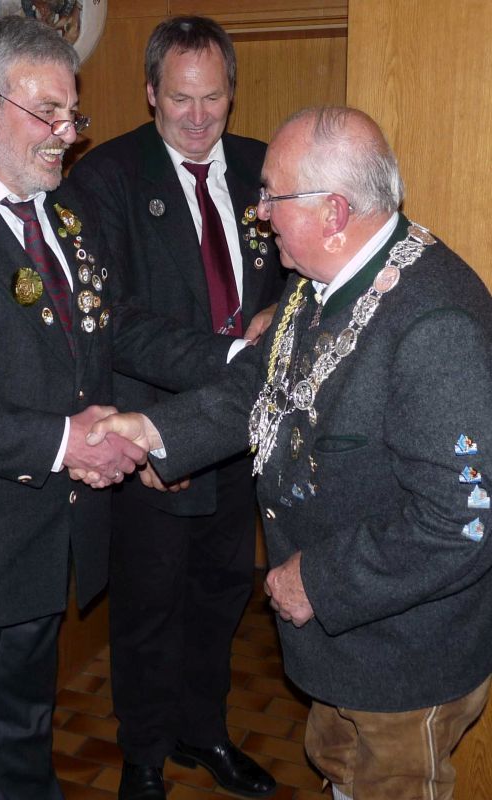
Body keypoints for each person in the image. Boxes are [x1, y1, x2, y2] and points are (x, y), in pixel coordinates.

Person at [88, 107, 492, 800]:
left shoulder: (435, 326)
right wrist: (151, 430)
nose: (260, 211)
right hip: (344, 649)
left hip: (401, 660)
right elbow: (259, 381)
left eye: (273, 194)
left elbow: (465, 521)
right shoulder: (320, 277)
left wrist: (321, 581)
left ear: (334, 212)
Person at [0, 15, 238, 800]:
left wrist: (234, 359)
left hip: (45, 541)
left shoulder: (59, 210)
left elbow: (117, 329)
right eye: (48, 112)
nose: (67, 134)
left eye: (72, 114)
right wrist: (63, 442)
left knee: (24, 739)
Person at [69, 16, 284, 800]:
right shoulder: (106, 178)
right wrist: (159, 440)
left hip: (242, 435)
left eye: (213, 98)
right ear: (151, 93)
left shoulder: (263, 167)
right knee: (150, 607)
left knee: (222, 592)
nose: (198, 117)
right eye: (181, 99)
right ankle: (145, 754)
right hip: (154, 429)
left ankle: (205, 731)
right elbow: (110, 324)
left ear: (232, 93)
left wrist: (278, 313)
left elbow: (302, 272)